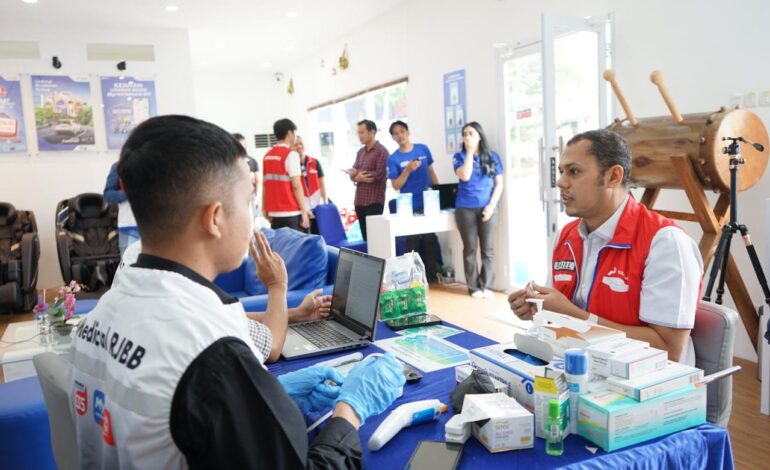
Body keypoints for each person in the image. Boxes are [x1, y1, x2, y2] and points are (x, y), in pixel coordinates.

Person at [69, 115, 405, 468]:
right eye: (248, 202)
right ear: (214, 218)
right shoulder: (209, 353)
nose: (253, 217)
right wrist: (350, 410)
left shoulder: (101, 315)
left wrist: (266, 396)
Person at [508, 129, 703, 363]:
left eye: (574, 171)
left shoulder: (665, 243)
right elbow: (559, 318)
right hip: (580, 368)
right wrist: (539, 310)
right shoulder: (566, 236)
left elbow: (669, 350)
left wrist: (572, 315)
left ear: (613, 177)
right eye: (561, 172)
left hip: (647, 384)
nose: (560, 182)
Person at [115, 238, 333, 364]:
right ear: (213, 216)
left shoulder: (136, 253)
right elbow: (272, 347)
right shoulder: (185, 283)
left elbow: (223, 316)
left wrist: (297, 314)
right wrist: (277, 286)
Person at [454, 122, 504, 299]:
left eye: (471, 134)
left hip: (487, 207)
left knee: (488, 249)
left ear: (480, 136)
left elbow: (499, 184)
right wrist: (469, 152)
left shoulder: (493, 157)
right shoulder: (459, 156)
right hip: (464, 208)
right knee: (470, 249)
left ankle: (487, 285)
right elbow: (465, 176)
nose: (467, 137)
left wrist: (491, 206)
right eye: (465, 134)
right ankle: (473, 287)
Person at [387, 121, 440, 281]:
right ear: (393, 137)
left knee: (430, 239)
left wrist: (439, 193)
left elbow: (431, 171)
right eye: (396, 133)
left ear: (408, 132)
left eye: (402, 131)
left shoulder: (422, 149)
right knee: (412, 242)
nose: (400, 135)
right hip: (408, 206)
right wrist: (407, 170)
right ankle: (413, 279)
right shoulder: (393, 158)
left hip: (429, 202)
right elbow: (396, 185)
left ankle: (432, 276)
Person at [262, 118, 313, 231]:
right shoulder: (291, 155)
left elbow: (265, 185)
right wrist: (304, 212)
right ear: (290, 133)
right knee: (296, 247)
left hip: (274, 214)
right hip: (291, 213)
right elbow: (296, 186)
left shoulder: (267, 156)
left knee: (281, 247)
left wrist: (264, 208)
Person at [349, 119, 389, 241]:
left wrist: (358, 176)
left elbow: (379, 175)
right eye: (358, 133)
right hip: (359, 201)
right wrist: (356, 176)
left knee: (375, 239)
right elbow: (352, 172)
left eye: (362, 132)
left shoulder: (382, 151)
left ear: (372, 132)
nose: (359, 136)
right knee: (366, 239)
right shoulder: (360, 152)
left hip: (374, 202)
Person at [103, 162, 139, 255]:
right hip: (129, 228)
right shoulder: (118, 166)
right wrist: (129, 192)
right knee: (128, 267)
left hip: (155, 229)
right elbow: (108, 195)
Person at [293, 135, 328, 234]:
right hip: (302, 210)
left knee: (320, 236)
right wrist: (304, 209)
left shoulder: (314, 162)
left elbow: (322, 184)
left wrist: (325, 203)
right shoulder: (291, 165)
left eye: (301, 144)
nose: (299, 147)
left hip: (317, 207)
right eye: (296, 145)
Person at [233, 132, 261, 219]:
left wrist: (257, 195)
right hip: (236, 198)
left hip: (251, 196)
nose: (242, 148)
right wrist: (249, 176)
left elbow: (257, 180)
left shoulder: (252, 161)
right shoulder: (229, 162)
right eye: (239, 145)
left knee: (253, 219)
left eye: (244, 145)